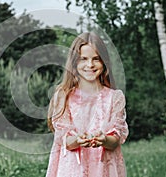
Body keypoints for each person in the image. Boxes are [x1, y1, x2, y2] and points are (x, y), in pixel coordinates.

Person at [46, 32, 129, 177]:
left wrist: (104, 140)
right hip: (73, 170)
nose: (90, 65)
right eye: (83, 59)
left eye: (96, 59)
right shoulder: (64, 95)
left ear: (104, 62)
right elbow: (63, 139)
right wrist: (77, 140)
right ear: (74, 62)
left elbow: (116, 139)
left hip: (104, 169)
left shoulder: (115, 97)